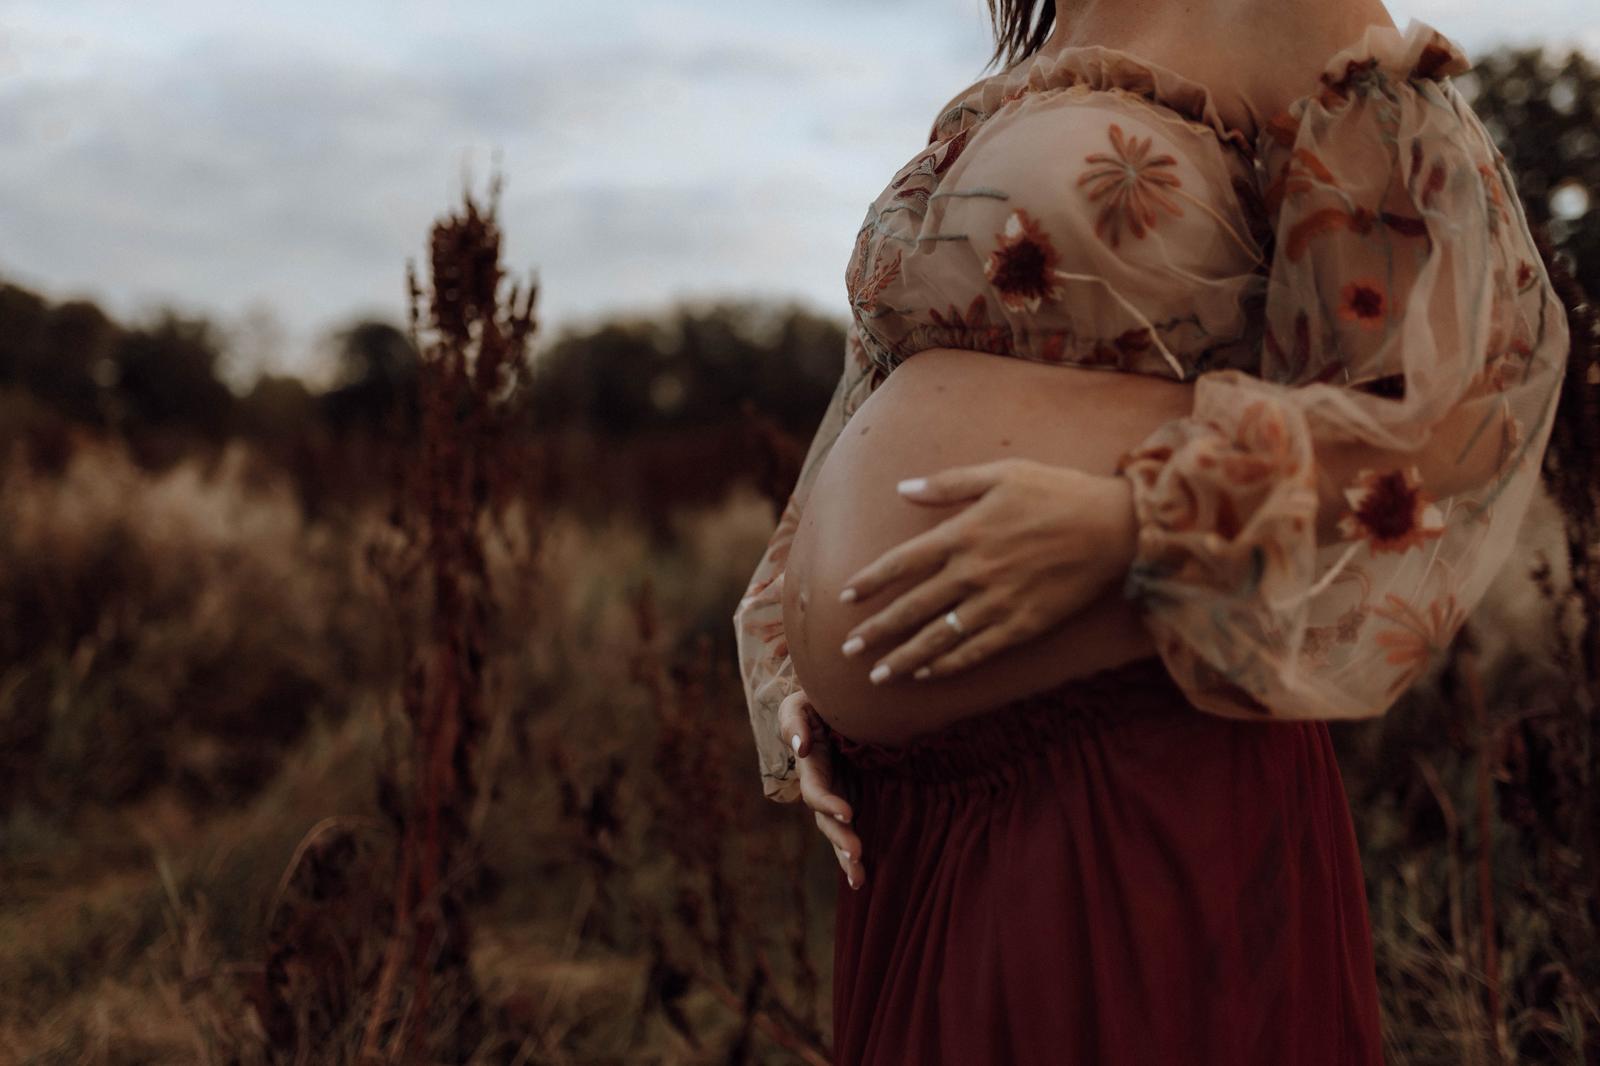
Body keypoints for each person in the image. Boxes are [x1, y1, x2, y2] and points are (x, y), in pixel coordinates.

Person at [731, 0, 1571, 1059]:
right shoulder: (1043, 46)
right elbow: (877, 395)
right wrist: (801, 651)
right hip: (915, 824)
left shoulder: (1288, 12)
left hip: (1124, 768)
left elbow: (1456, 400)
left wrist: (1136, 520)